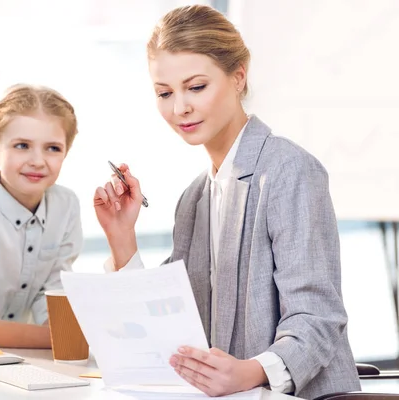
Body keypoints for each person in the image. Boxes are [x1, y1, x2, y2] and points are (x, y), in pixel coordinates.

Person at [93, 5, 360, 399]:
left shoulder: (289, 171)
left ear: (238, 76)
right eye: (164, 93)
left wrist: (250, 372)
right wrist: (121, 237)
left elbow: (318, 317)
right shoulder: (195, 197)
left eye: (196, 87)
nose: (179, 107)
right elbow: (169, 320)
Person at [0, 84, 82, 349]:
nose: (37, 161)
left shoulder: (66, 205)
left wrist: (66, 333)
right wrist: (66, 337)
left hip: (23, 355)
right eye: (22, 145)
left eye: (53, 148)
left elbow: (55, 293)